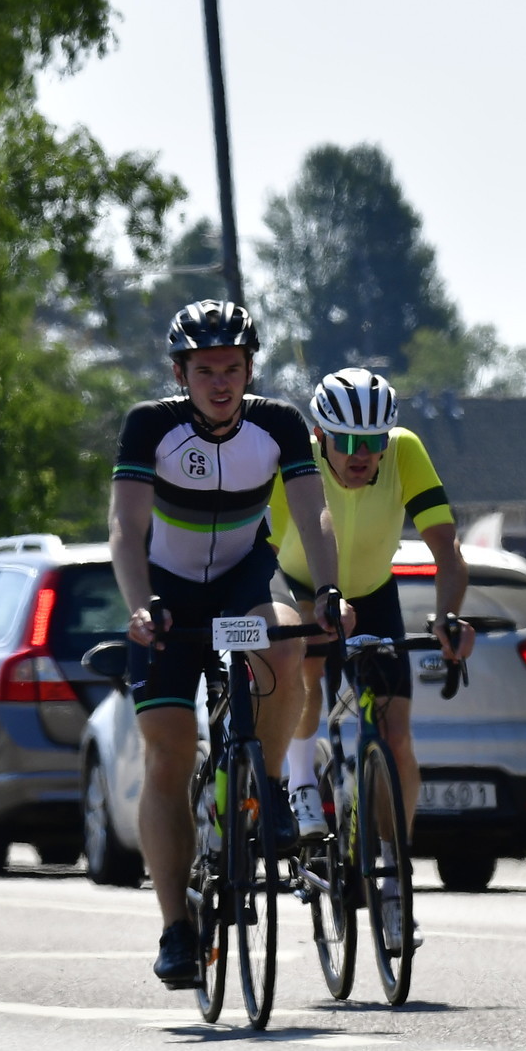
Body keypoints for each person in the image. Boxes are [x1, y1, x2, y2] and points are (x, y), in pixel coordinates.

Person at [109, 300, 343, 989]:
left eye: (232, 369)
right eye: (205, 370)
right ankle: (176, 927)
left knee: (285, 643)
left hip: (243, 576)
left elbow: (313, 512)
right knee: (168, 755)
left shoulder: (279, 424)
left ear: (249, 370)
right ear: (179, 373)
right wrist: (139, 605)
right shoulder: (150, 426)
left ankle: (264, 787)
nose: (220, 383)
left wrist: (330, 591)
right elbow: (125, 527)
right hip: (166, 591)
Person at [266, 368, 475, 865]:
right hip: (302, 586)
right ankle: (301, 782)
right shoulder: (296, 458)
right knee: (308, 662)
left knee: (396, 738)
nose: (361, 454)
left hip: (373, 594)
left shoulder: (404, 451)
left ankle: (393, 865)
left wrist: (448, 615)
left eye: (374, 441)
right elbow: (264, 552)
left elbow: (447, 549)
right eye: (345, 441)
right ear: (320, 435)